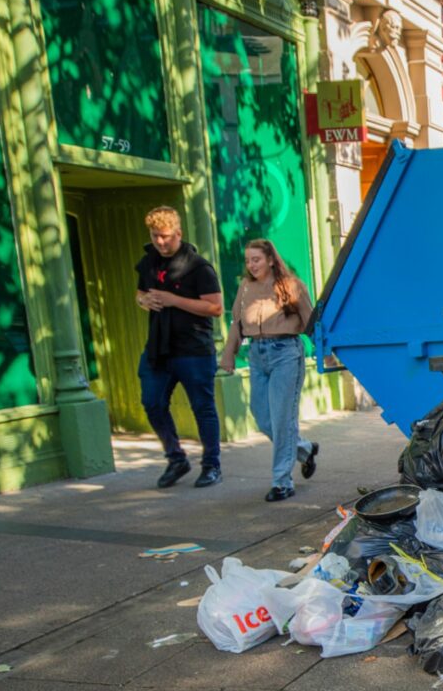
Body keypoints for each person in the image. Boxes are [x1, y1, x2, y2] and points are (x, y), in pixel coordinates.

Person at [219, 238, 320, 502]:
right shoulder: (246, 287)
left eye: (256, 259)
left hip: (285, 353)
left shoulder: (292, 285)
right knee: (262, 417)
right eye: (248, 260)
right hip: (256, 354)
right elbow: (236, 323)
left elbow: (310, 320)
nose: (251, 265)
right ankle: (304, 449)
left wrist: (325, 352)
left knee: (282, 419)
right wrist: (229, 353)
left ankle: (282, 482)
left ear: (271, 260)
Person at [135, 206, 224, 489]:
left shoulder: (198, 266)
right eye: (155, 236)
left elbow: (216, 307)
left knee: (203, 408)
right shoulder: (148, 262)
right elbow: (140, 292)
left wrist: (173, 300)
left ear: (178, 233)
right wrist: (143, 301)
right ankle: (176, 458)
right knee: (152, 402)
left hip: (194, 349)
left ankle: (211, 465)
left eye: (165, 236)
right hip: (158, 348)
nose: (160, 242)